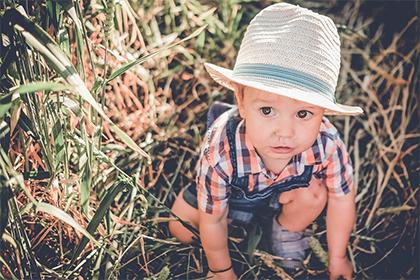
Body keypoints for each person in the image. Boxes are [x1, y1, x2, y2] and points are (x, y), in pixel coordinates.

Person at [169, 2, 363, 280]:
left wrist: (338, 256)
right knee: (181, 229)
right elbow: (211, 216)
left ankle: (286, 230)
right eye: (267, 110)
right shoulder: (223, 148)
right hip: (229, 199)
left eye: (304, 113)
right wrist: (220, 269)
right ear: (242, 103)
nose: (285, 131)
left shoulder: (327, 144)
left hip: (284, 196)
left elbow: (342, 198)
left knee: (315, 194)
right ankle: (235, 231)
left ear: (323, 114)